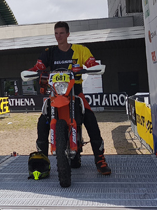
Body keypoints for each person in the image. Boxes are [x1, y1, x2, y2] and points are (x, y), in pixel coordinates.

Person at [29, 21, 110, 175]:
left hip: (75, 91)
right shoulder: (49, 52)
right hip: (55, 93)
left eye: (61, 33)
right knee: (42, 122)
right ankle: (42, 162)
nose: (58, 36)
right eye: (56, 33)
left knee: (91, 119)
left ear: (68, 34)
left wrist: (93, 67)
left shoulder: (80, 50)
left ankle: (100, 159)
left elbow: (91, 63)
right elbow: (38, 66)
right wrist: (31, 72)